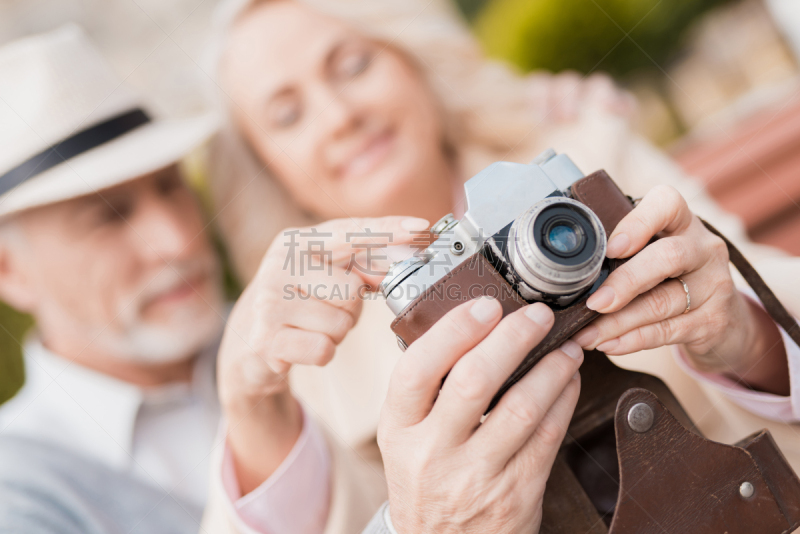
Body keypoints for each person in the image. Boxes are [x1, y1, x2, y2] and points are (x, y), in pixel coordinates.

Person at [205, 0, 800, 530]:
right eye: (287, 115)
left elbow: (772, 297)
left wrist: (747, 341)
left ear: (416, 62)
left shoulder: (586, 149)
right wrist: (251, 410)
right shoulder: (301, 361)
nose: (339, 116)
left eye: (354, 65)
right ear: (268, 170)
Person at [0, 25, 587, 534]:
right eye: (109, 217)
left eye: (171, 185)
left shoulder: (319, 337)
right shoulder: (19, 500)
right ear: (10, 271)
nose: (178, 239)